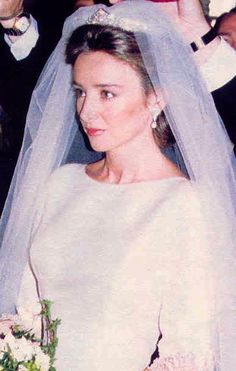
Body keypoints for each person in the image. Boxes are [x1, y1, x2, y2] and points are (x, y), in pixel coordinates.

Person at [0, 1, 236, 370]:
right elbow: (22, 312)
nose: (86, 111)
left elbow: (188, 350)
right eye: (80, 91)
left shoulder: (184, 205)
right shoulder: (58, 185)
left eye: (106, 93)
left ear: (156, 98)